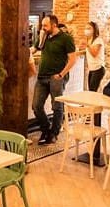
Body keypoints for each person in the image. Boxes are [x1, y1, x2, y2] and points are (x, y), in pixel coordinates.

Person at [32, 14, 77, 145]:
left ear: (54, 25)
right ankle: (46, 129)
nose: (43, 28)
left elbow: (72, 59)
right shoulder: (43, 36)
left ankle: (54, 133)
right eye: (42, 25)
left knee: (57, 106)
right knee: (36, 106)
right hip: (42, 76)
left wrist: (61, 74)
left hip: (56, 77)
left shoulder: (66, 38)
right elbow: (33, 49)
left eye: (45, 25)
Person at [80, 21, 105, 91]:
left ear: (94, 30)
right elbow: (88, 51)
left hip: (98, 68)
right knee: (91, 90)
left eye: (89, 28)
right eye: (86, 28)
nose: (86, 30)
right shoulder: (89, 40)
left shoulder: (98, 40)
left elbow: (94, 54)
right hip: (92, 69)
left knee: (92, 91)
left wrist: (87, 45)